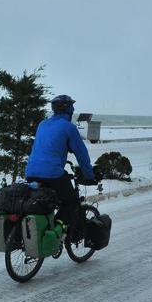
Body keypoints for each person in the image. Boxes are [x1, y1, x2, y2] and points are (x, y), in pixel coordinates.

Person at [25, 94, 96, 232]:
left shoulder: (42, 124)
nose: (73, 110)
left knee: (44, 201)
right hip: (52, 174)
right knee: (71, 203)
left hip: (30, 172)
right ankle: (57, 230)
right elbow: (82, 154)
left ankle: (42, 228)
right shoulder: (69, 127)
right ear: (69, 110)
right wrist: (89, 175)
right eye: (72, 108)